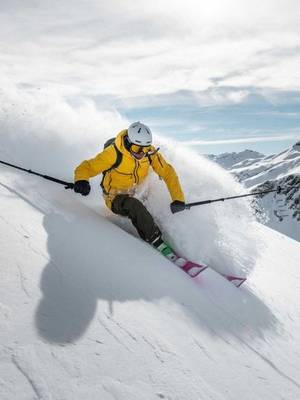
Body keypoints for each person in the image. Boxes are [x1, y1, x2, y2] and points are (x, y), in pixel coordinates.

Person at [74, 122, 186, 257]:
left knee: (147, 197)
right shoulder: (113, 154)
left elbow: (168, 173)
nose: (141, 154)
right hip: (115, 197)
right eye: (137, 148)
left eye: (145, 149)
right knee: (135, 206)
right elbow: (86, 167)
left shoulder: (149, 153)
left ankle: (151, 223)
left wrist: (178, 199)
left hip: (137, 191)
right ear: (128, 142)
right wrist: (81, 180)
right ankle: (155, 239)